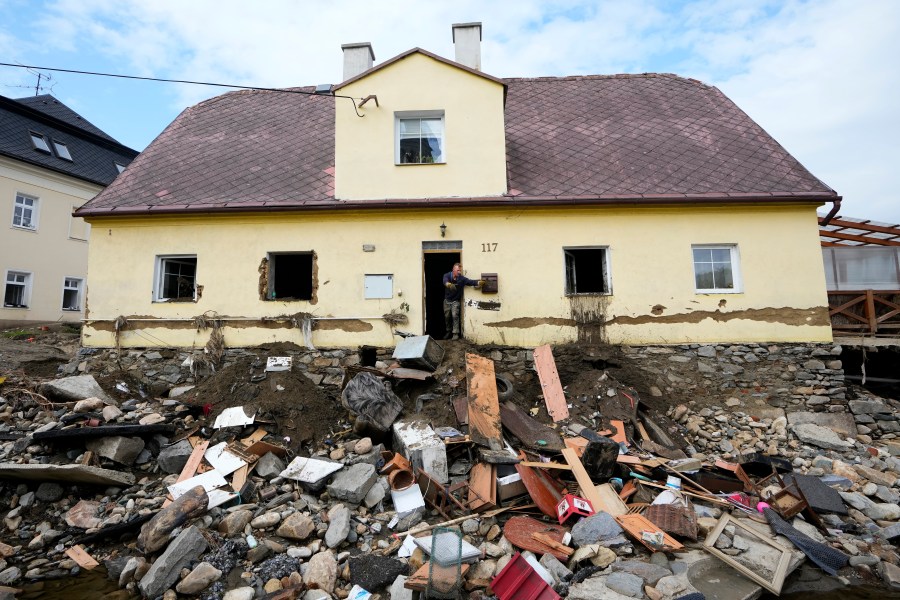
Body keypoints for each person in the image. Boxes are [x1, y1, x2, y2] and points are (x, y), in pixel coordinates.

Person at [442, 263, 482, 340]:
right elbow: (445, 281)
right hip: (447, 300)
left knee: (454, 315)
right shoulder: (447, 275)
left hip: (455, 301)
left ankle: (455, 333)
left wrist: (479, 282)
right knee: (447, 317)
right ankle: (448, 331)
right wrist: (449, 285)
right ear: (453, 270)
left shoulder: (461, 279)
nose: (459, 272)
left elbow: (471, 282)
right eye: (458, 270)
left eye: (460, 271)